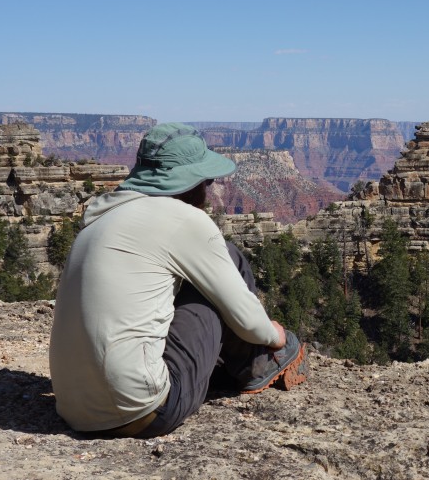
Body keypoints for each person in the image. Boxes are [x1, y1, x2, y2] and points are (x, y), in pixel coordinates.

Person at [49, 123, 307, 438]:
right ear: (187, 181)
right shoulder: (183, 219)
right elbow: (245, 317)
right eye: (206, 179)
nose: (209, 188)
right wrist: (277, 336)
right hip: (145, 410)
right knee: (227, 259)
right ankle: (254, 365)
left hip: (74, 410)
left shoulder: (99, 219)